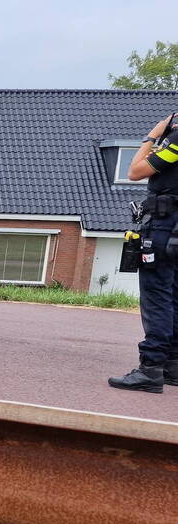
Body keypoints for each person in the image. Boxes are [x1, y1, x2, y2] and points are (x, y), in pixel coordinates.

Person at [108, 112, 178, 393]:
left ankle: (150, 368)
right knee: (173, 295)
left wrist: (152, 136)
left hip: (165, 225)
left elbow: (135, 171)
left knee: (157, 295)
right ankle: (172, 365)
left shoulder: (176, 141)